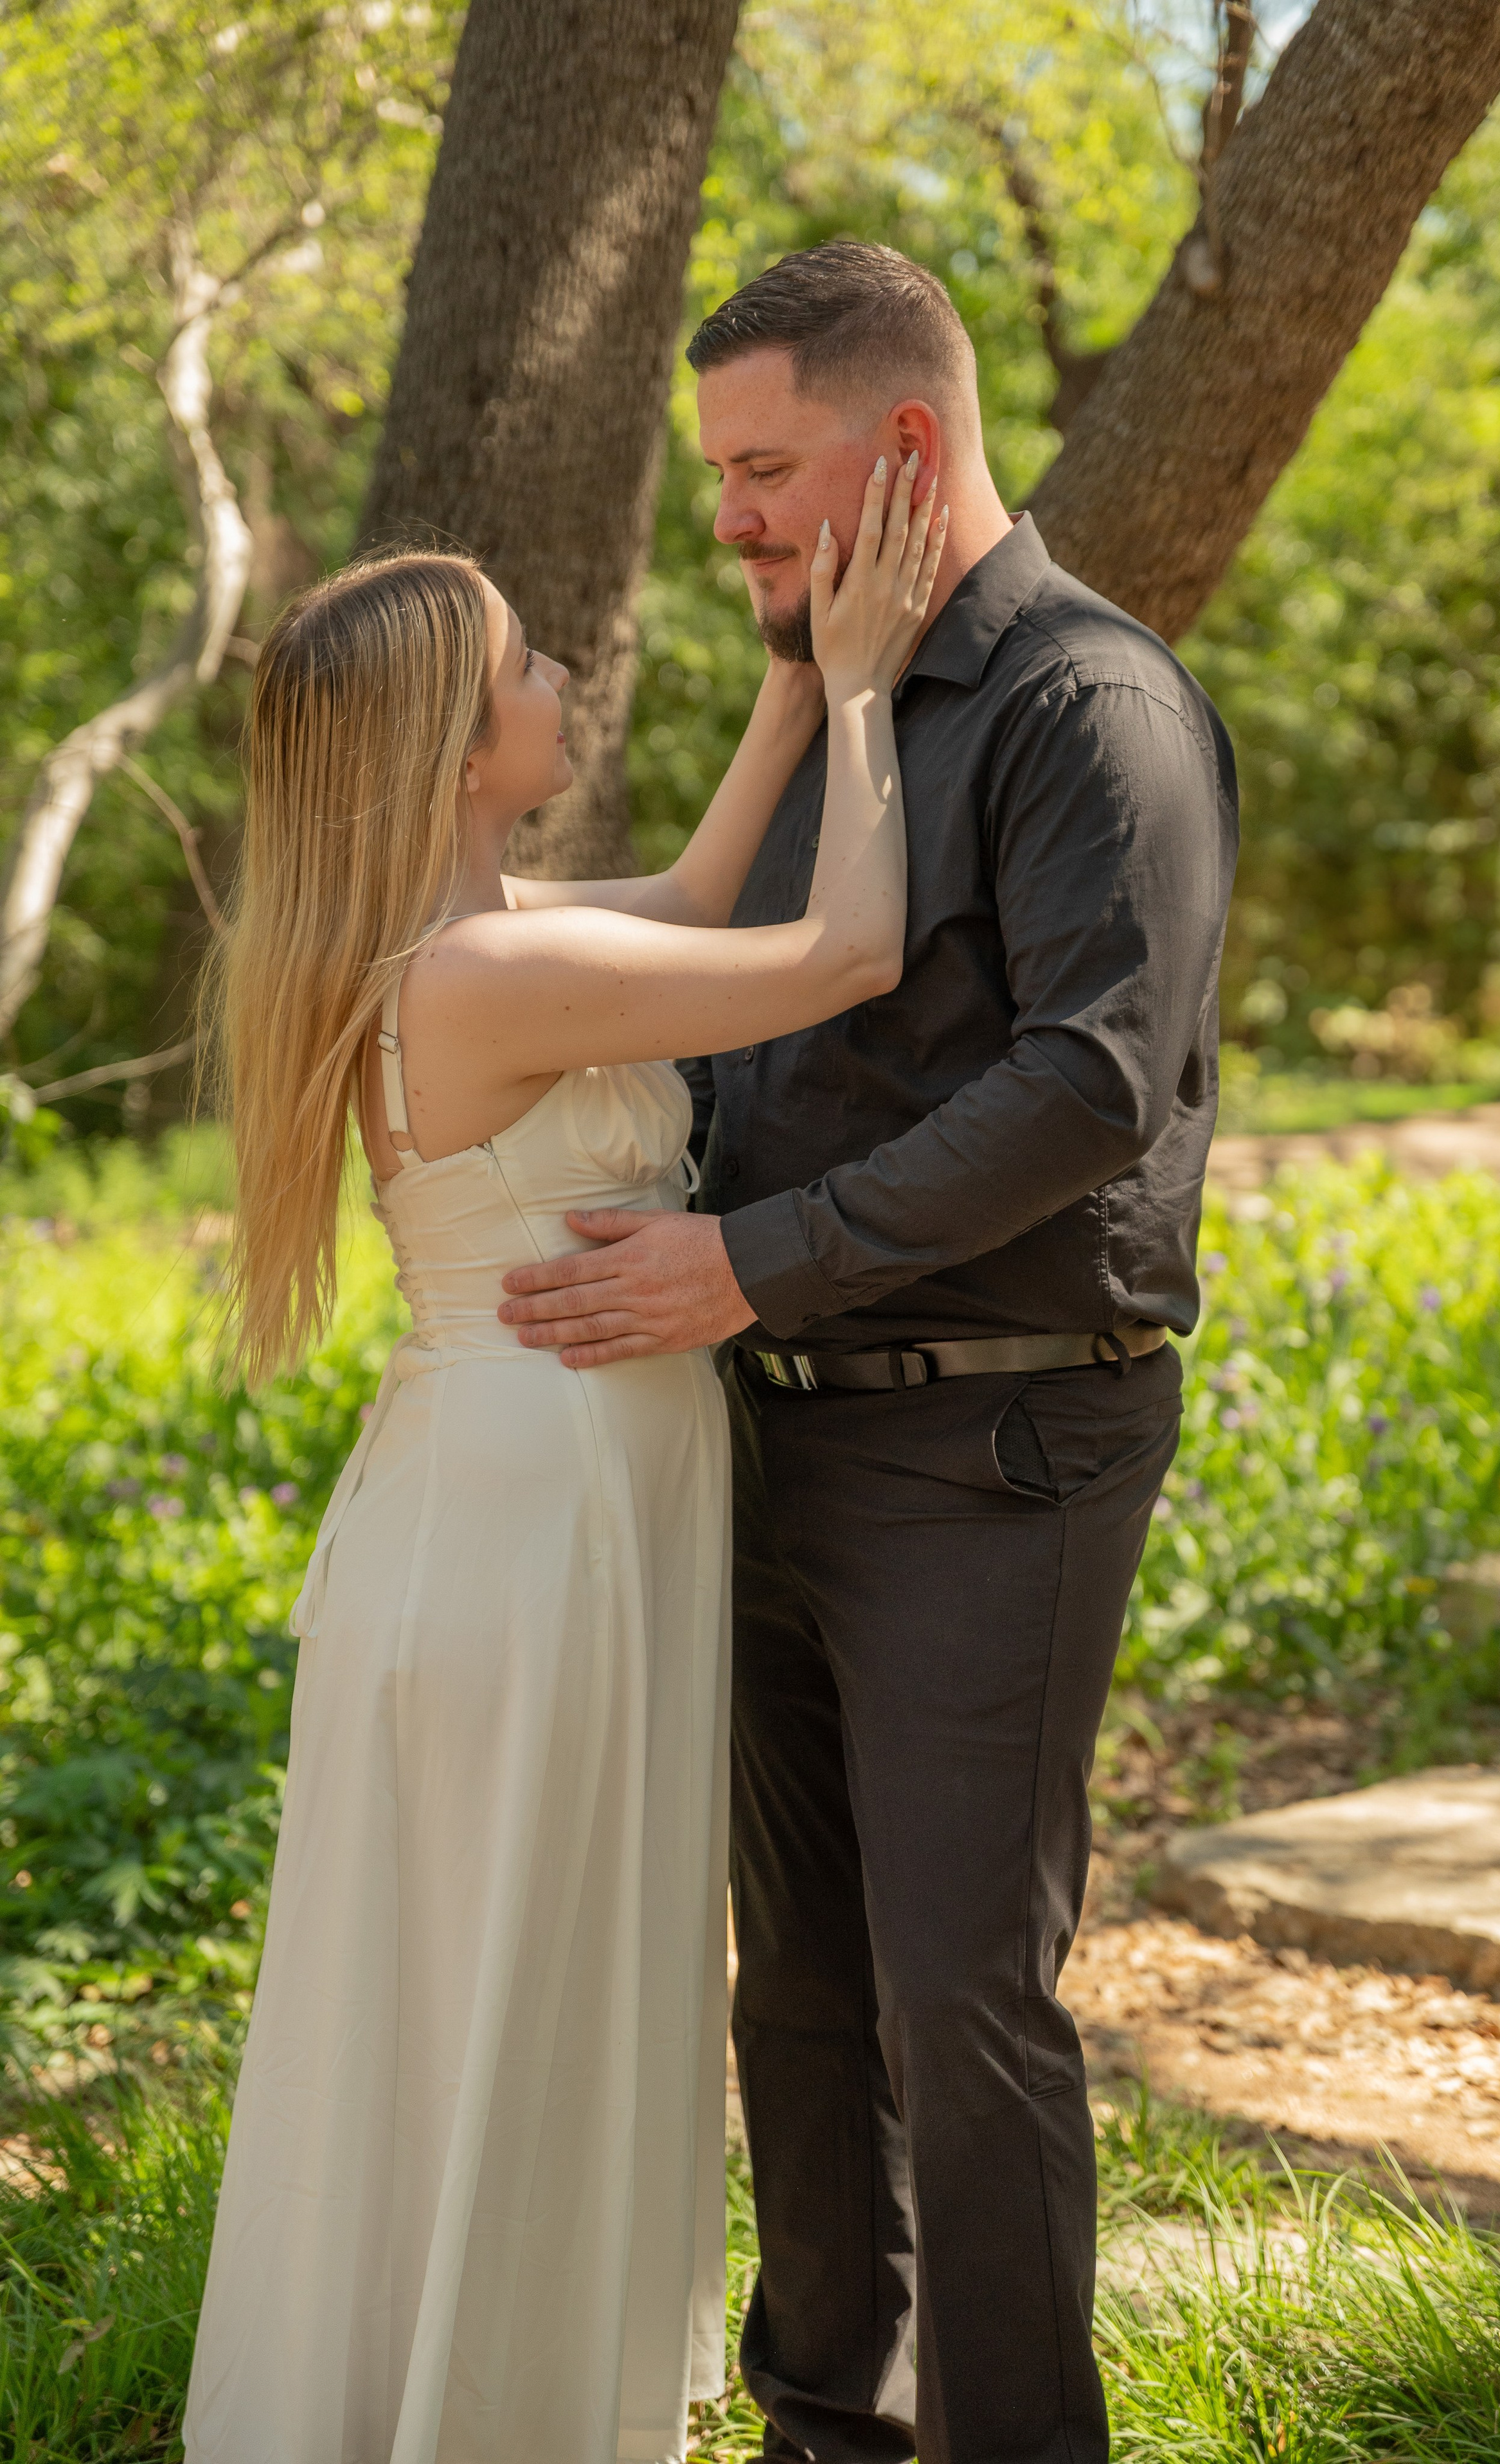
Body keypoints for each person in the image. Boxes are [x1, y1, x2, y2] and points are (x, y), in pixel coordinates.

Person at [496, 241, 1239, 2464]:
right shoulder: (835, 689)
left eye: (758, 468)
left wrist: (748, 1256)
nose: (721, 515)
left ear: (903, 445)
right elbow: (760, 1015)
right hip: (771, 1437)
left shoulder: (1089, 708)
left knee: (958, 1999)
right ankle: (836, 2424)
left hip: (996, 1442)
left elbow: (1092, 1081)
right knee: (801, 1992)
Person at [182, 459, 945, 2463]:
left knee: (492, 1975)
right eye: (527, 661)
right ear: (454, 747)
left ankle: (463, 2396)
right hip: (525, 1528)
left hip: (518, 1506)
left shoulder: (481, 934)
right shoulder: (486, 976)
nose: (564, 670)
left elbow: (701, 906)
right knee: (503, 1981)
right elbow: (840, 946)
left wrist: (791, 670)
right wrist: (868, 696)